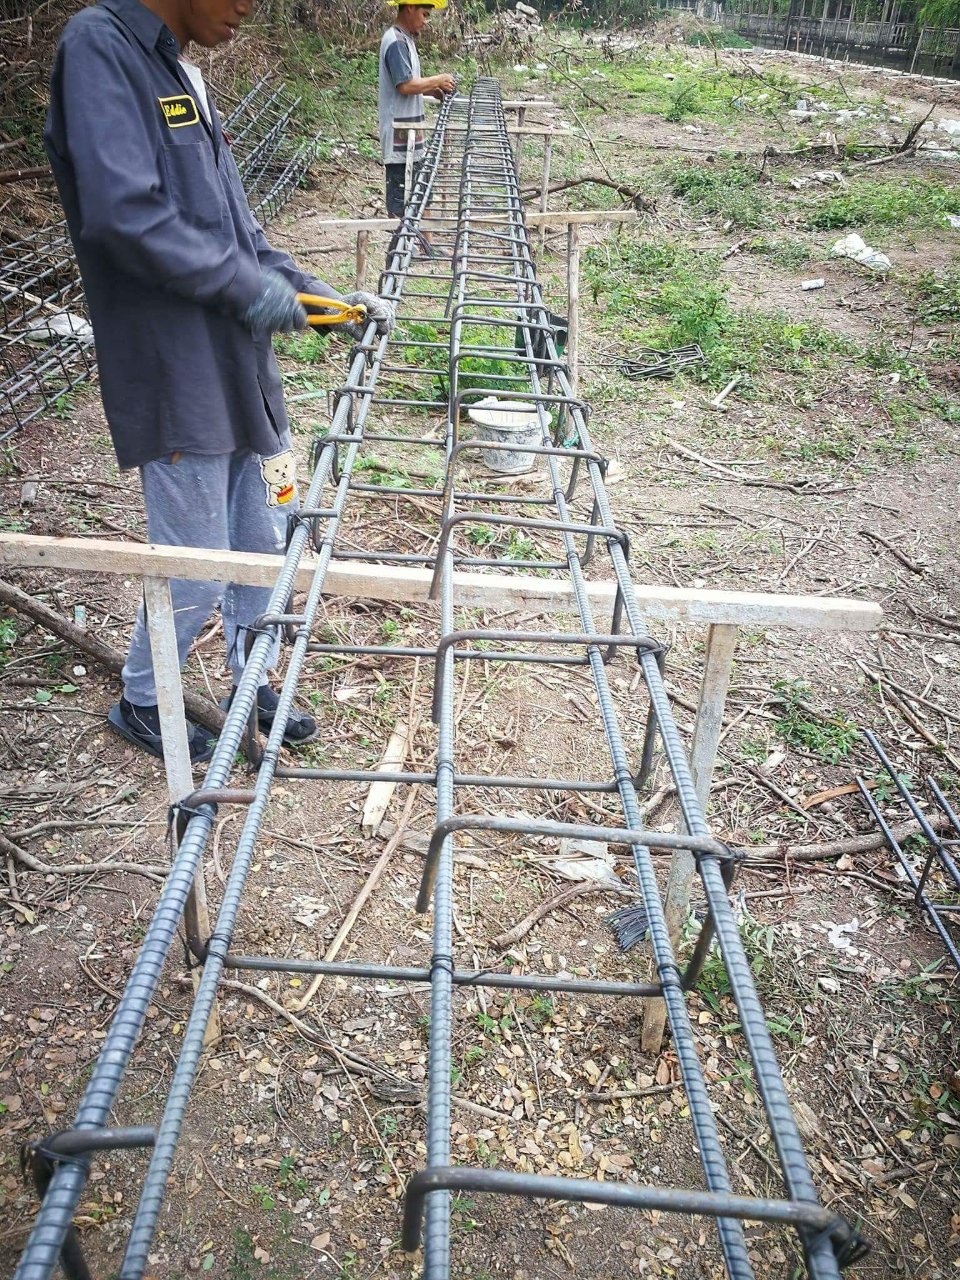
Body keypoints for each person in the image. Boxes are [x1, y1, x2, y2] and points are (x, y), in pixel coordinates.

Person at [44, 0, 395, 764]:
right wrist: (252, 292)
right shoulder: (100, 49)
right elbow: (125, 217)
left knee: (267, 533)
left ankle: (250, 680)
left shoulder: (184, 74)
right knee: (196, 561)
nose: (247, 8)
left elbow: (241, 236)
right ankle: (144, 700)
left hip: (243, 368)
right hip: (179, 378)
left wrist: (318, 298)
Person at [378, 0, 455, 220]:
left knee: (421, 193)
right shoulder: (396, 42)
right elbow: (405, 85)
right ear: (410, 8)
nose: (426, 21)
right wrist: (438, 79)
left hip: (411, 134)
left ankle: (427, 241)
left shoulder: (406, 40)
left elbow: (409, 84)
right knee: (400, 204)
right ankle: (401, 242)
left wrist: (432, 90)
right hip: (399, 137)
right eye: (425, 14)